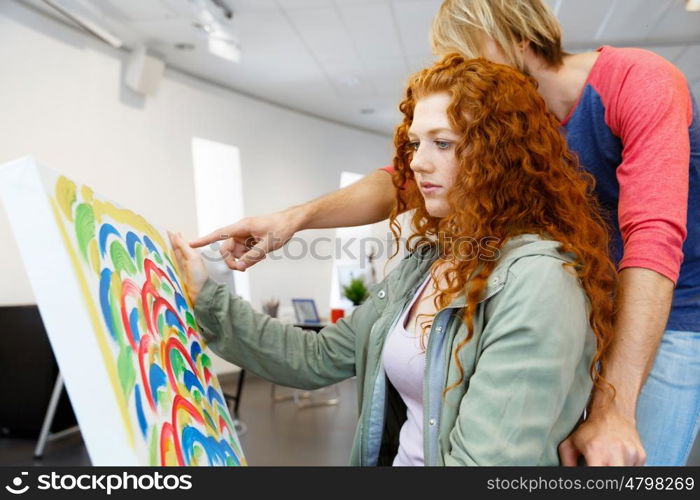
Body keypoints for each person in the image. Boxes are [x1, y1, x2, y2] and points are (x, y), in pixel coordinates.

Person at [190, 0, 700, 466]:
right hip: (577, 296)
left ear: (508, 39)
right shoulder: (464, 202)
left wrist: (615, 406)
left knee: (621, 460)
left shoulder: (637, 81)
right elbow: (402, 182)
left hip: (667, 305)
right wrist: (293, 220)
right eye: (420, 143)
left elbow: (654, 238)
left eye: (445, 142)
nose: (463, 74)